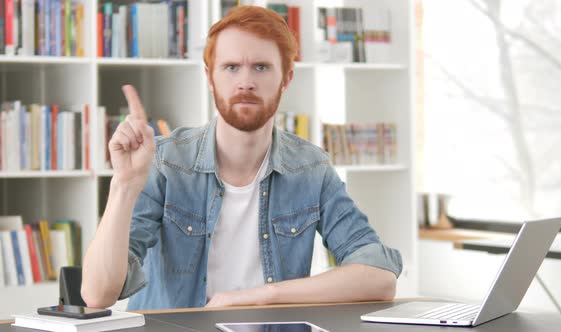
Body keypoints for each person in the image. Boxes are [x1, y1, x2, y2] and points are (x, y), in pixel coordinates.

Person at [81, 5, 402, 310]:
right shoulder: (166, 162)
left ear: (287, 78)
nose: (245, 81)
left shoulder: (311, 168)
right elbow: (98, 294)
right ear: (210, 78)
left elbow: (379, 276)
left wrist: (261, 296)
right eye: (231, 67)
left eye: (261, 67)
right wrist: (124, 185)